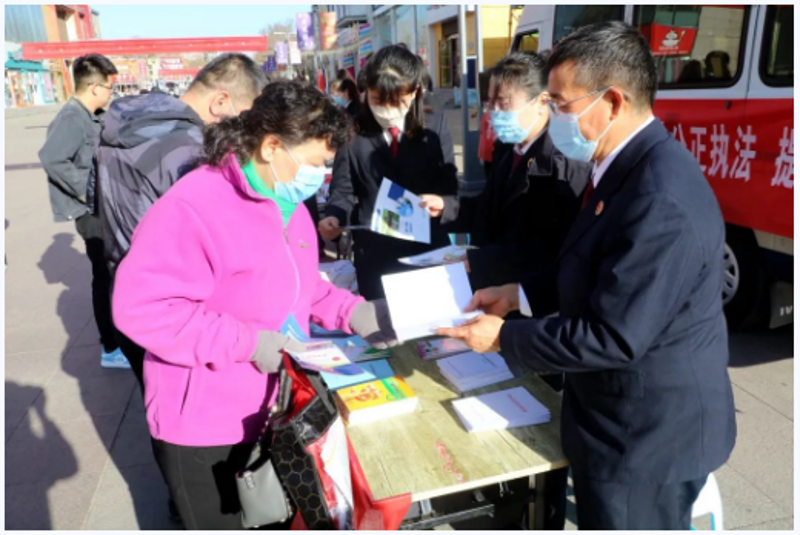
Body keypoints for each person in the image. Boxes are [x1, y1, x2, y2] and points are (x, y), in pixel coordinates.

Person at [437, 21, 737, 530]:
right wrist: (518, 294)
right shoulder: (620, 167)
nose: (553, 115)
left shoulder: (657, 197)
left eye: (560, 104)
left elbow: (613, 335)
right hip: (614, 418)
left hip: (645, 439)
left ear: (613, 102)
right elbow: (595, 270)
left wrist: (505, 337)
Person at [112, 80, 398, 530]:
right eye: (315, 164)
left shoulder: (289, 203)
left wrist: (354, 312)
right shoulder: (193, 205)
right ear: (271, 147)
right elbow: (144, 308)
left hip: (274, 405)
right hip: (206, 423)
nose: (320, 176)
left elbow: (299, 284)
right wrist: (248, 343)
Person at [96, 52, 267, 392]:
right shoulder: (191, 150)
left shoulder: (120, 126)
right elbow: (215, 233)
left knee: (156, 400)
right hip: (175, 305)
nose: (243, 130)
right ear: (221, 101)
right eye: (244, 117)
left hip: (127, 290)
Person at [420, 52, 592, 293]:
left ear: (542, 102)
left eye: (503, 103)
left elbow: (551, 250)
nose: (493, 111)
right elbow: (488, 208)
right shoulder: (507, 148)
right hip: (490, 282)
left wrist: (481, 261)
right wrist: (445, 207)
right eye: (490, 102)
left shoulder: (566, 164)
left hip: (525, 295)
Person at [318, 45, 459, 299]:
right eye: (377, 100)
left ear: (415, 92)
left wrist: (440, 203)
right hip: (376, 255)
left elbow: (448, 186)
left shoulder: (434, 123)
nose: (387, 109)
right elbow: (343, 190)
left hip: (427, 250)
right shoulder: (352, 130)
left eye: (396, 101)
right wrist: (334, 217)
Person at [38, 53, 126, 369]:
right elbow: (52, 158)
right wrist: (88, 190)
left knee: (113, 275)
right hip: (90, 212)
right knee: (104, 278)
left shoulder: (91, 116)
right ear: (94, 87)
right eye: (109, 88)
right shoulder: (71, 118)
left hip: (101, 206)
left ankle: (117, 340)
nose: (111, 94)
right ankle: (111, 348)